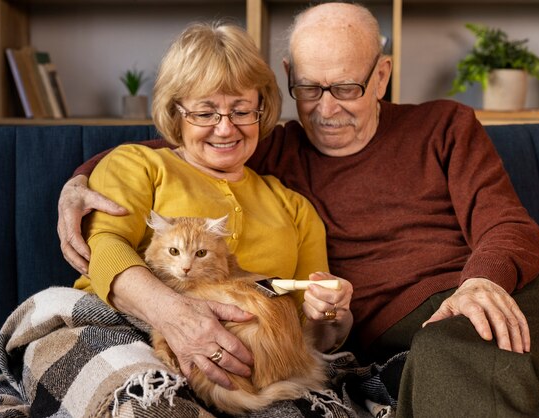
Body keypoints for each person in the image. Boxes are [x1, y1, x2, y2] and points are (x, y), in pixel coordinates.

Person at [58, 3, 539, 417]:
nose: (327, 109)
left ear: (382, 76)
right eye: (308, 88)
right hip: (417, 338)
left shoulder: (444, 126)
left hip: (508, 292)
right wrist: (80, 180)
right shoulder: (275, 148)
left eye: (348, 87)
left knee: (454, 351)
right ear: (287, 79)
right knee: (458, 362)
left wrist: (481, 282)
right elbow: (187, 140)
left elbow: (508, 225)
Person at [72, 21, 354, 393]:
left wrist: (334, 314)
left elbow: (309, 333)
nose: (225, 129)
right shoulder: (136, 165)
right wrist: (173, 315)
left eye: (241, 111)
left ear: (261, 109)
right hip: (124, 331)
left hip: (254, 366)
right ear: (176, 113)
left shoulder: (294, 208)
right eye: (205, 113)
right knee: (143, 400)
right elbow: (104, 248)